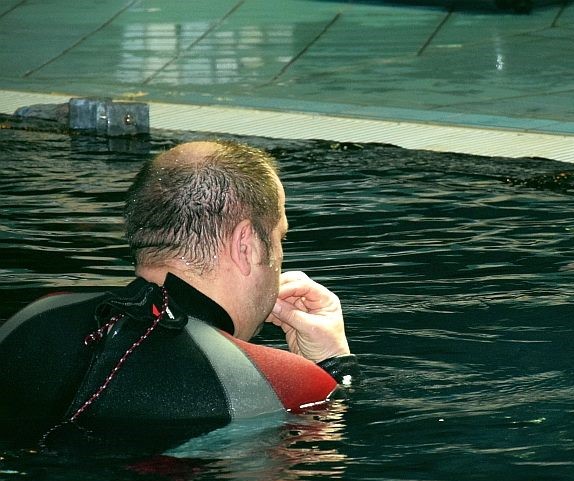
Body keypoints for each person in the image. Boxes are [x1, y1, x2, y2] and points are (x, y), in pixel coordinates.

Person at [0, 140, 357, 444]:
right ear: (246, 247)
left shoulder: (32, 320)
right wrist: (334, 368)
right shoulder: (281, 382)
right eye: (280, 239)